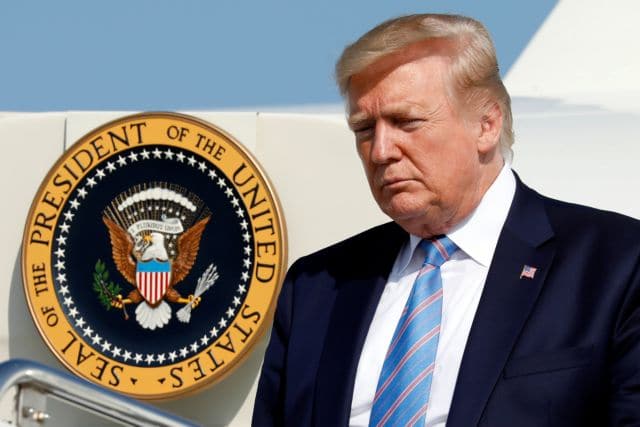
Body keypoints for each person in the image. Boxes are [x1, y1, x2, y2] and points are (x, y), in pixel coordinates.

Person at [252, 13, 640, 427]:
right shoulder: (317, 288)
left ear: (487, 125)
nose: (381, 150)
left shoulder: (614, 265)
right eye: (364, 128)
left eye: (407, 121)